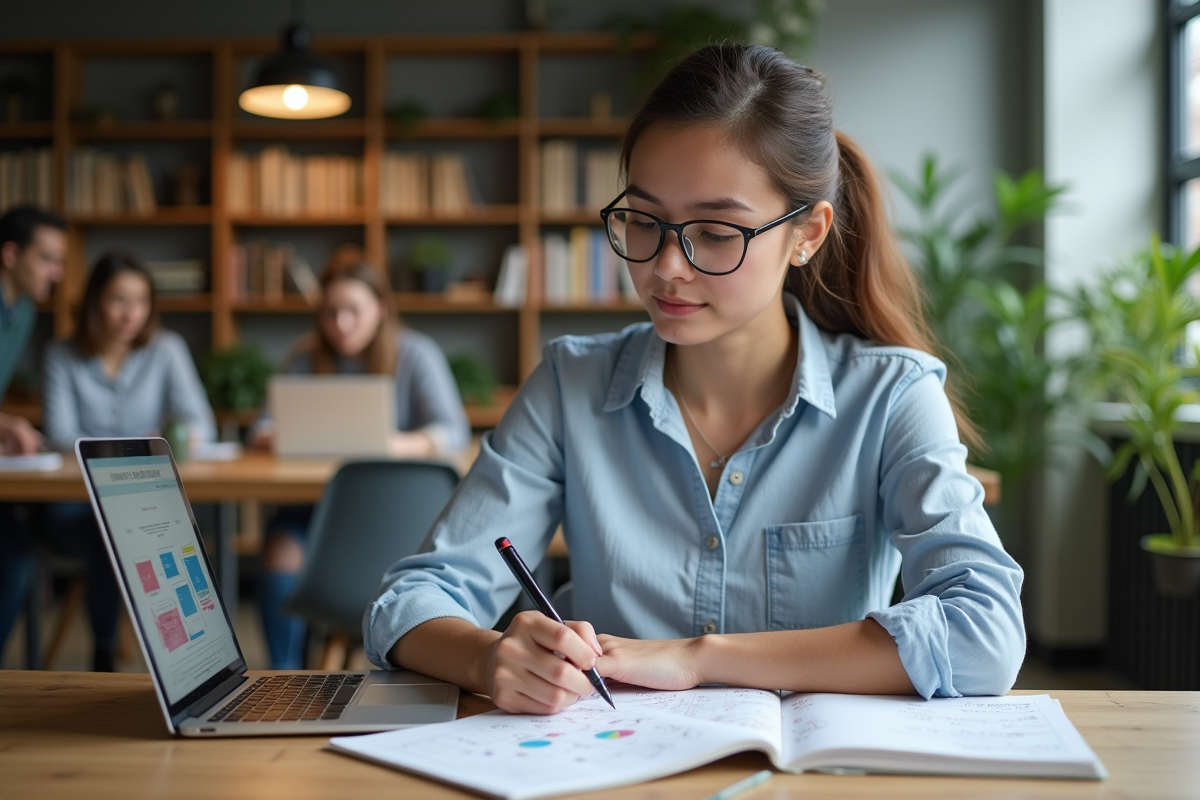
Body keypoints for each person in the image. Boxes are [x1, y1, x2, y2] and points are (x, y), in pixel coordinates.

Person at [364, 44, 1025, 715]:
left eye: (714, 232)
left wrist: (698, 657)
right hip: (610, 769)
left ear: (807, 234)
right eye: (645, 222)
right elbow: (411, 601)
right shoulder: (572, 386)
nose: (667, 267)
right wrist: (488, 655)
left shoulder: (892, 396)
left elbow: (985, 634)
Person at [253, 247, 470, 669]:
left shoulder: (416, 354)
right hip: (316, 513)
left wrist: (393, 445)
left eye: (353, 310)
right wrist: (291, 433)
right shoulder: (304, 357)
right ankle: (284, 675)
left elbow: (453, 430)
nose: (341, 324)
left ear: (381, 309)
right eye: (330, 312)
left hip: (395, 519)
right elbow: (261, 429)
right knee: (279, 551)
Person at [41, 250, 216, 670]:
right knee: (114, 534)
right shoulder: (61, 355)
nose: (130, 313)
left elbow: (201, 424)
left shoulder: (166, 349)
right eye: (119, 299)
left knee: (150, 531)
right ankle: (105, 654)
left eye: (140, 301)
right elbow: (60, 435)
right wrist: (144, 447)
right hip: (76, 503)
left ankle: (194, 660)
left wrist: (172, 437)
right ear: (94, 302)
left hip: (143, 499)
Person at [0, 205, 67, 659]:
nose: (57, 272)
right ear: (10, 254)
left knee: (18, 555)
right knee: (15, 558)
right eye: (46, 258)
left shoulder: (21, 310)